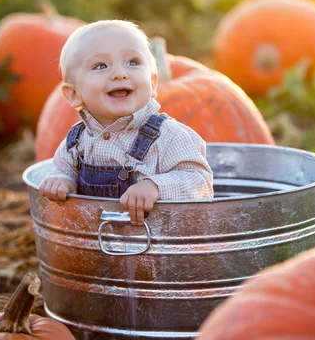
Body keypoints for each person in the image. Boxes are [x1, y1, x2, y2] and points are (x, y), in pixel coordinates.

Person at [39, 19, 213, 225]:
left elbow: (199, 181)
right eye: (100, 65)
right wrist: (62, 180)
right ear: (74, 94)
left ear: (153, 83)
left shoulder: (169, 136)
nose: (120, 74)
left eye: (133, 62)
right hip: (98, 246)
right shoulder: (76, 141)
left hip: (159, 246)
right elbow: (62, 169)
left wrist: (155, 186)